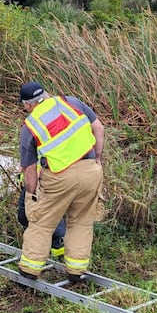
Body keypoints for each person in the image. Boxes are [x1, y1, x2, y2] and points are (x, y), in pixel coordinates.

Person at [17, 81, 105, 282]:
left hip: (60, 177)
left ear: (28, 105)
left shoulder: (30, 125)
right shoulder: (71, 102)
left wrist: (32, 194)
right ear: (46, 95)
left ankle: (30, 269)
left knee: (42, 222)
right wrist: (98, 157)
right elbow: (99, 128)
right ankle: (76, 270)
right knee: (81, 221)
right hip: (91, 170)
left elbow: (29, 168)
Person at [16, 168, 66, 260]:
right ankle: (55, 251)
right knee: (24, 216)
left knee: (48, 216)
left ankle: (58, 250)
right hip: (32, 182)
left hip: (44, 181)